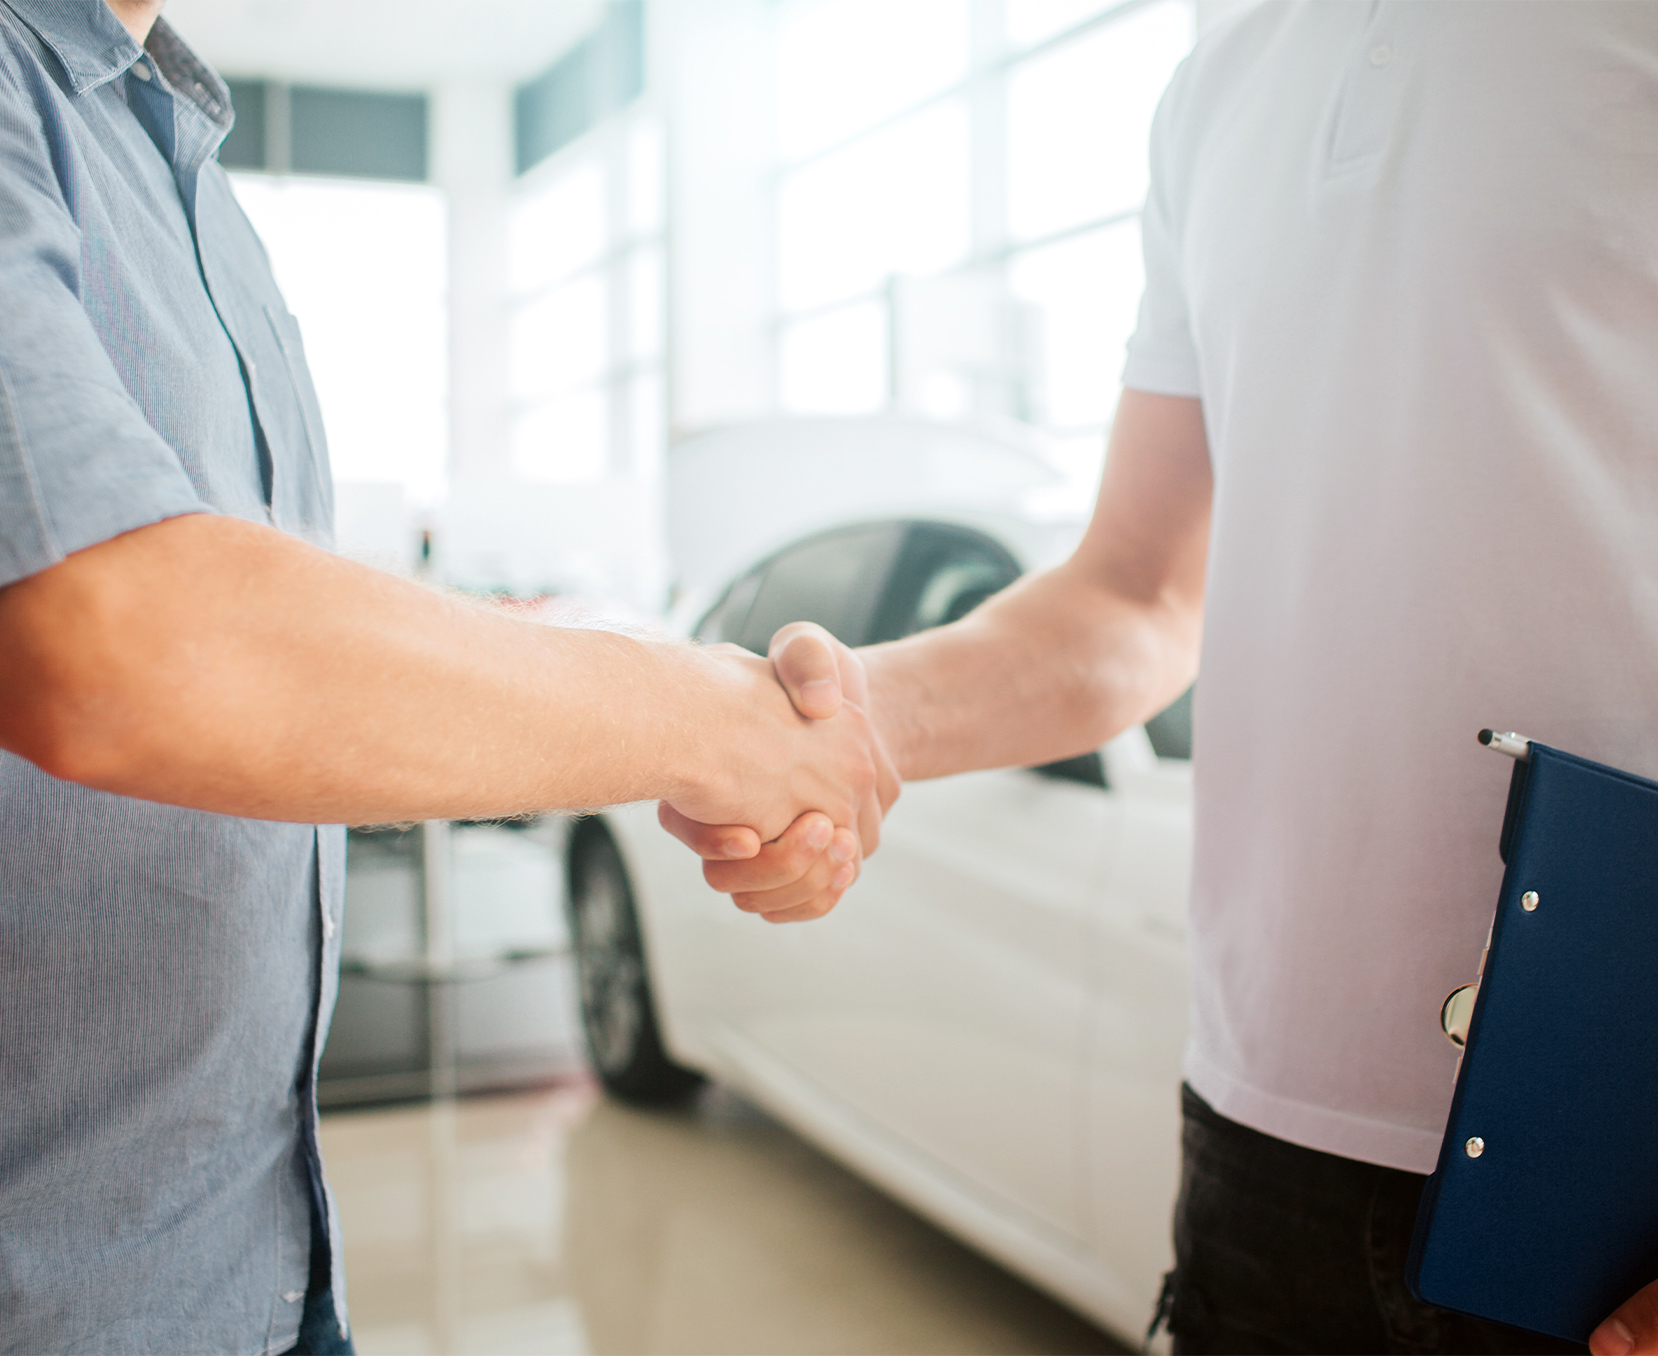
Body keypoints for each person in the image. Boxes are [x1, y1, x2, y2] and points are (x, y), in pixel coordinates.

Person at [673, 3, 1658, 1352]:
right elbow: (1138, 595)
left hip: (1610, 1161)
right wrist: (842, 725)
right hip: (1255, 1146)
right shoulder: (1217, 81)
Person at [0, 1, 892, 1351]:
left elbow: (279, 625)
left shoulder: (183, 163)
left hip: (258, 1258)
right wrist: (700, 722)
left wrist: (674, 700)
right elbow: (113, 640)